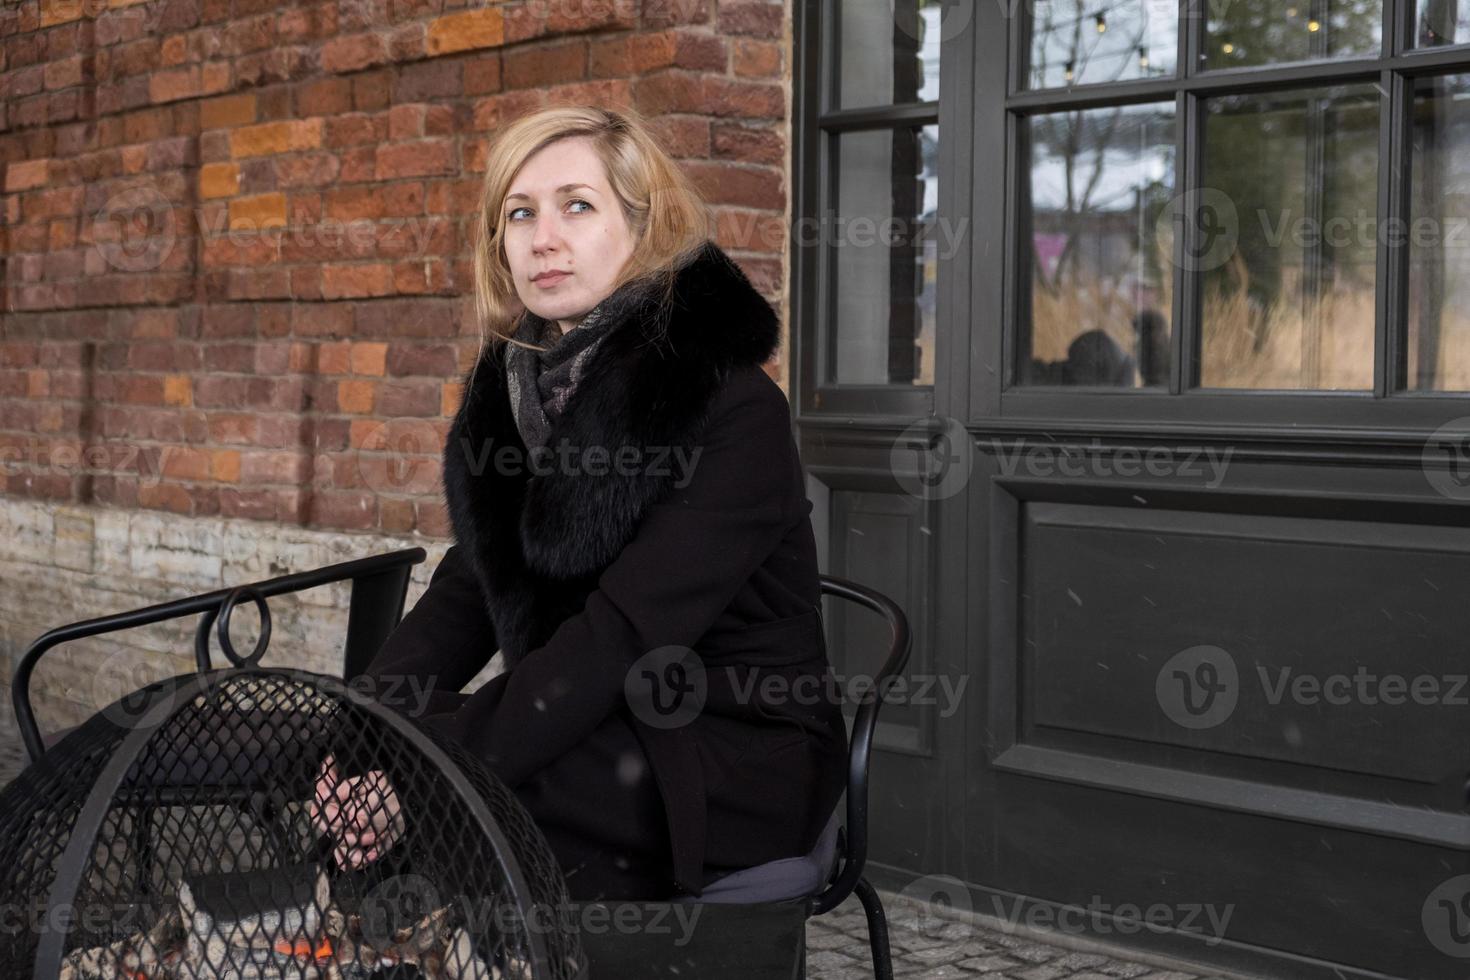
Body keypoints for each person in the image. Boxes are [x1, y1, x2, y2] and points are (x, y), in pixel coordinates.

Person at [309, 105, 850, 903]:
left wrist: (428, 771)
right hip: (588, 718)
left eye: (577, 206)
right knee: (349, 765)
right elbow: (471, 586)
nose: (542, 237)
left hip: (727, 747)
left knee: (456, 799)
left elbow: (623, 633)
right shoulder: (522, 393)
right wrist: (364, 734)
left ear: (645, 227)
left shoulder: (732, 407)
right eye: (519, 214)